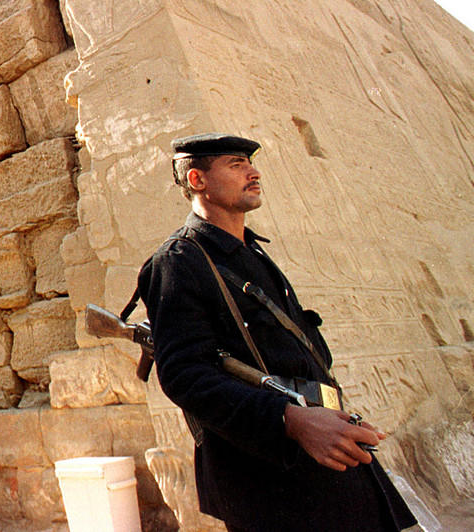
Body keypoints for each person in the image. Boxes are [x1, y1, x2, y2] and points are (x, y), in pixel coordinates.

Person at [134, 132, 417, 531]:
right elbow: (186, 377)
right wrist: (290, 421)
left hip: (320, 455)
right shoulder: (178, 262)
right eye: (236, 164)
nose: (254, 172)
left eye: (249, 163)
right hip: (271, 479)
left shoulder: (253, 252)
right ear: (198, 181)